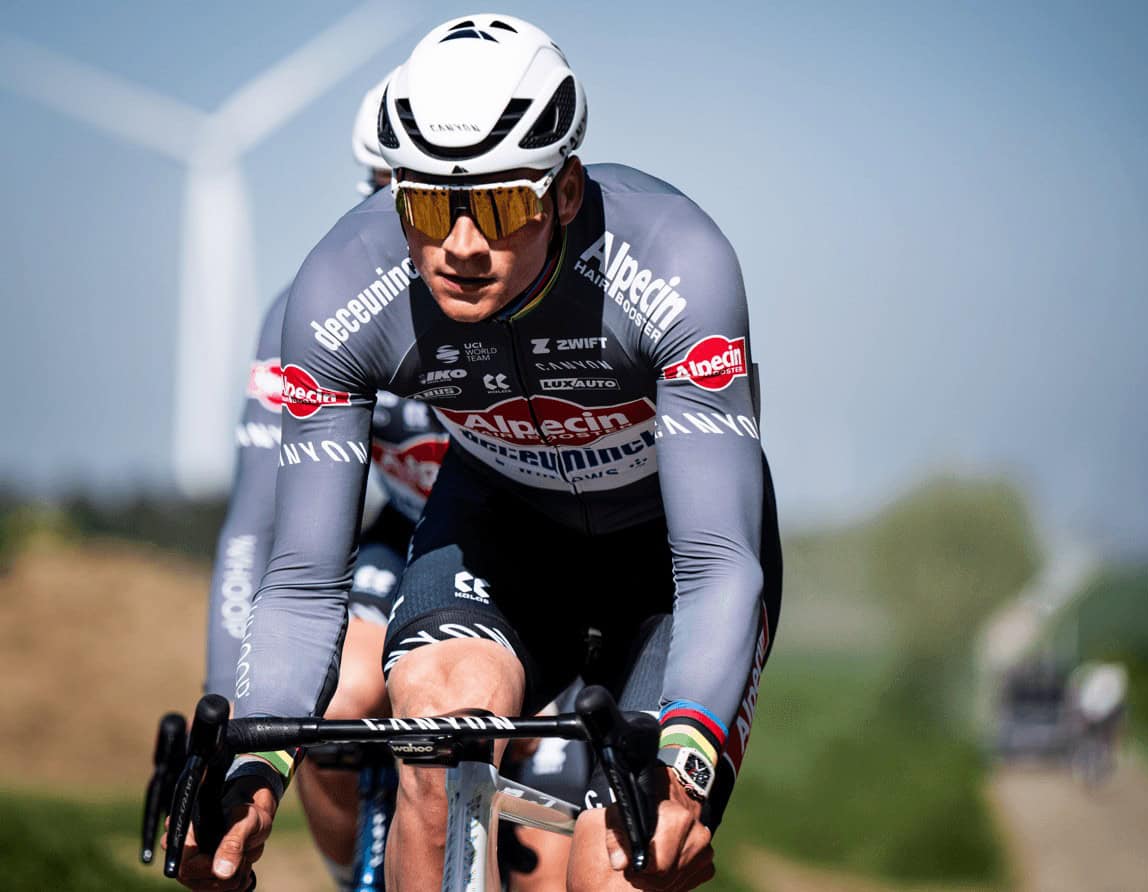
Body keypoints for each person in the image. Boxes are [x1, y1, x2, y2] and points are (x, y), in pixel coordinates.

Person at [177, 14, 781, 892]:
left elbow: (718, 560)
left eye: (498, 206)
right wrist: (251, 765)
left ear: (564, 192)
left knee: (616, 860)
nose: (460, 246)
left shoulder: (675, 262)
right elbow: (303, 579)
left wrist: (687, 759)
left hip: (666, 562)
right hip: (502, 528)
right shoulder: (340, 288)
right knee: (435, 741)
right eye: (427, 206)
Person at [201, 72, 580, 892]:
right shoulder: (320, 307)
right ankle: (356, 877)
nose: (452, 237)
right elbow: (257, 528)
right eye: (409, 201)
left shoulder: (527, 299)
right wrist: (229, 709)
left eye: (474, 202)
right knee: (334, 701)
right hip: (407, 541)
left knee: (547, 849)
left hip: (539, 554)